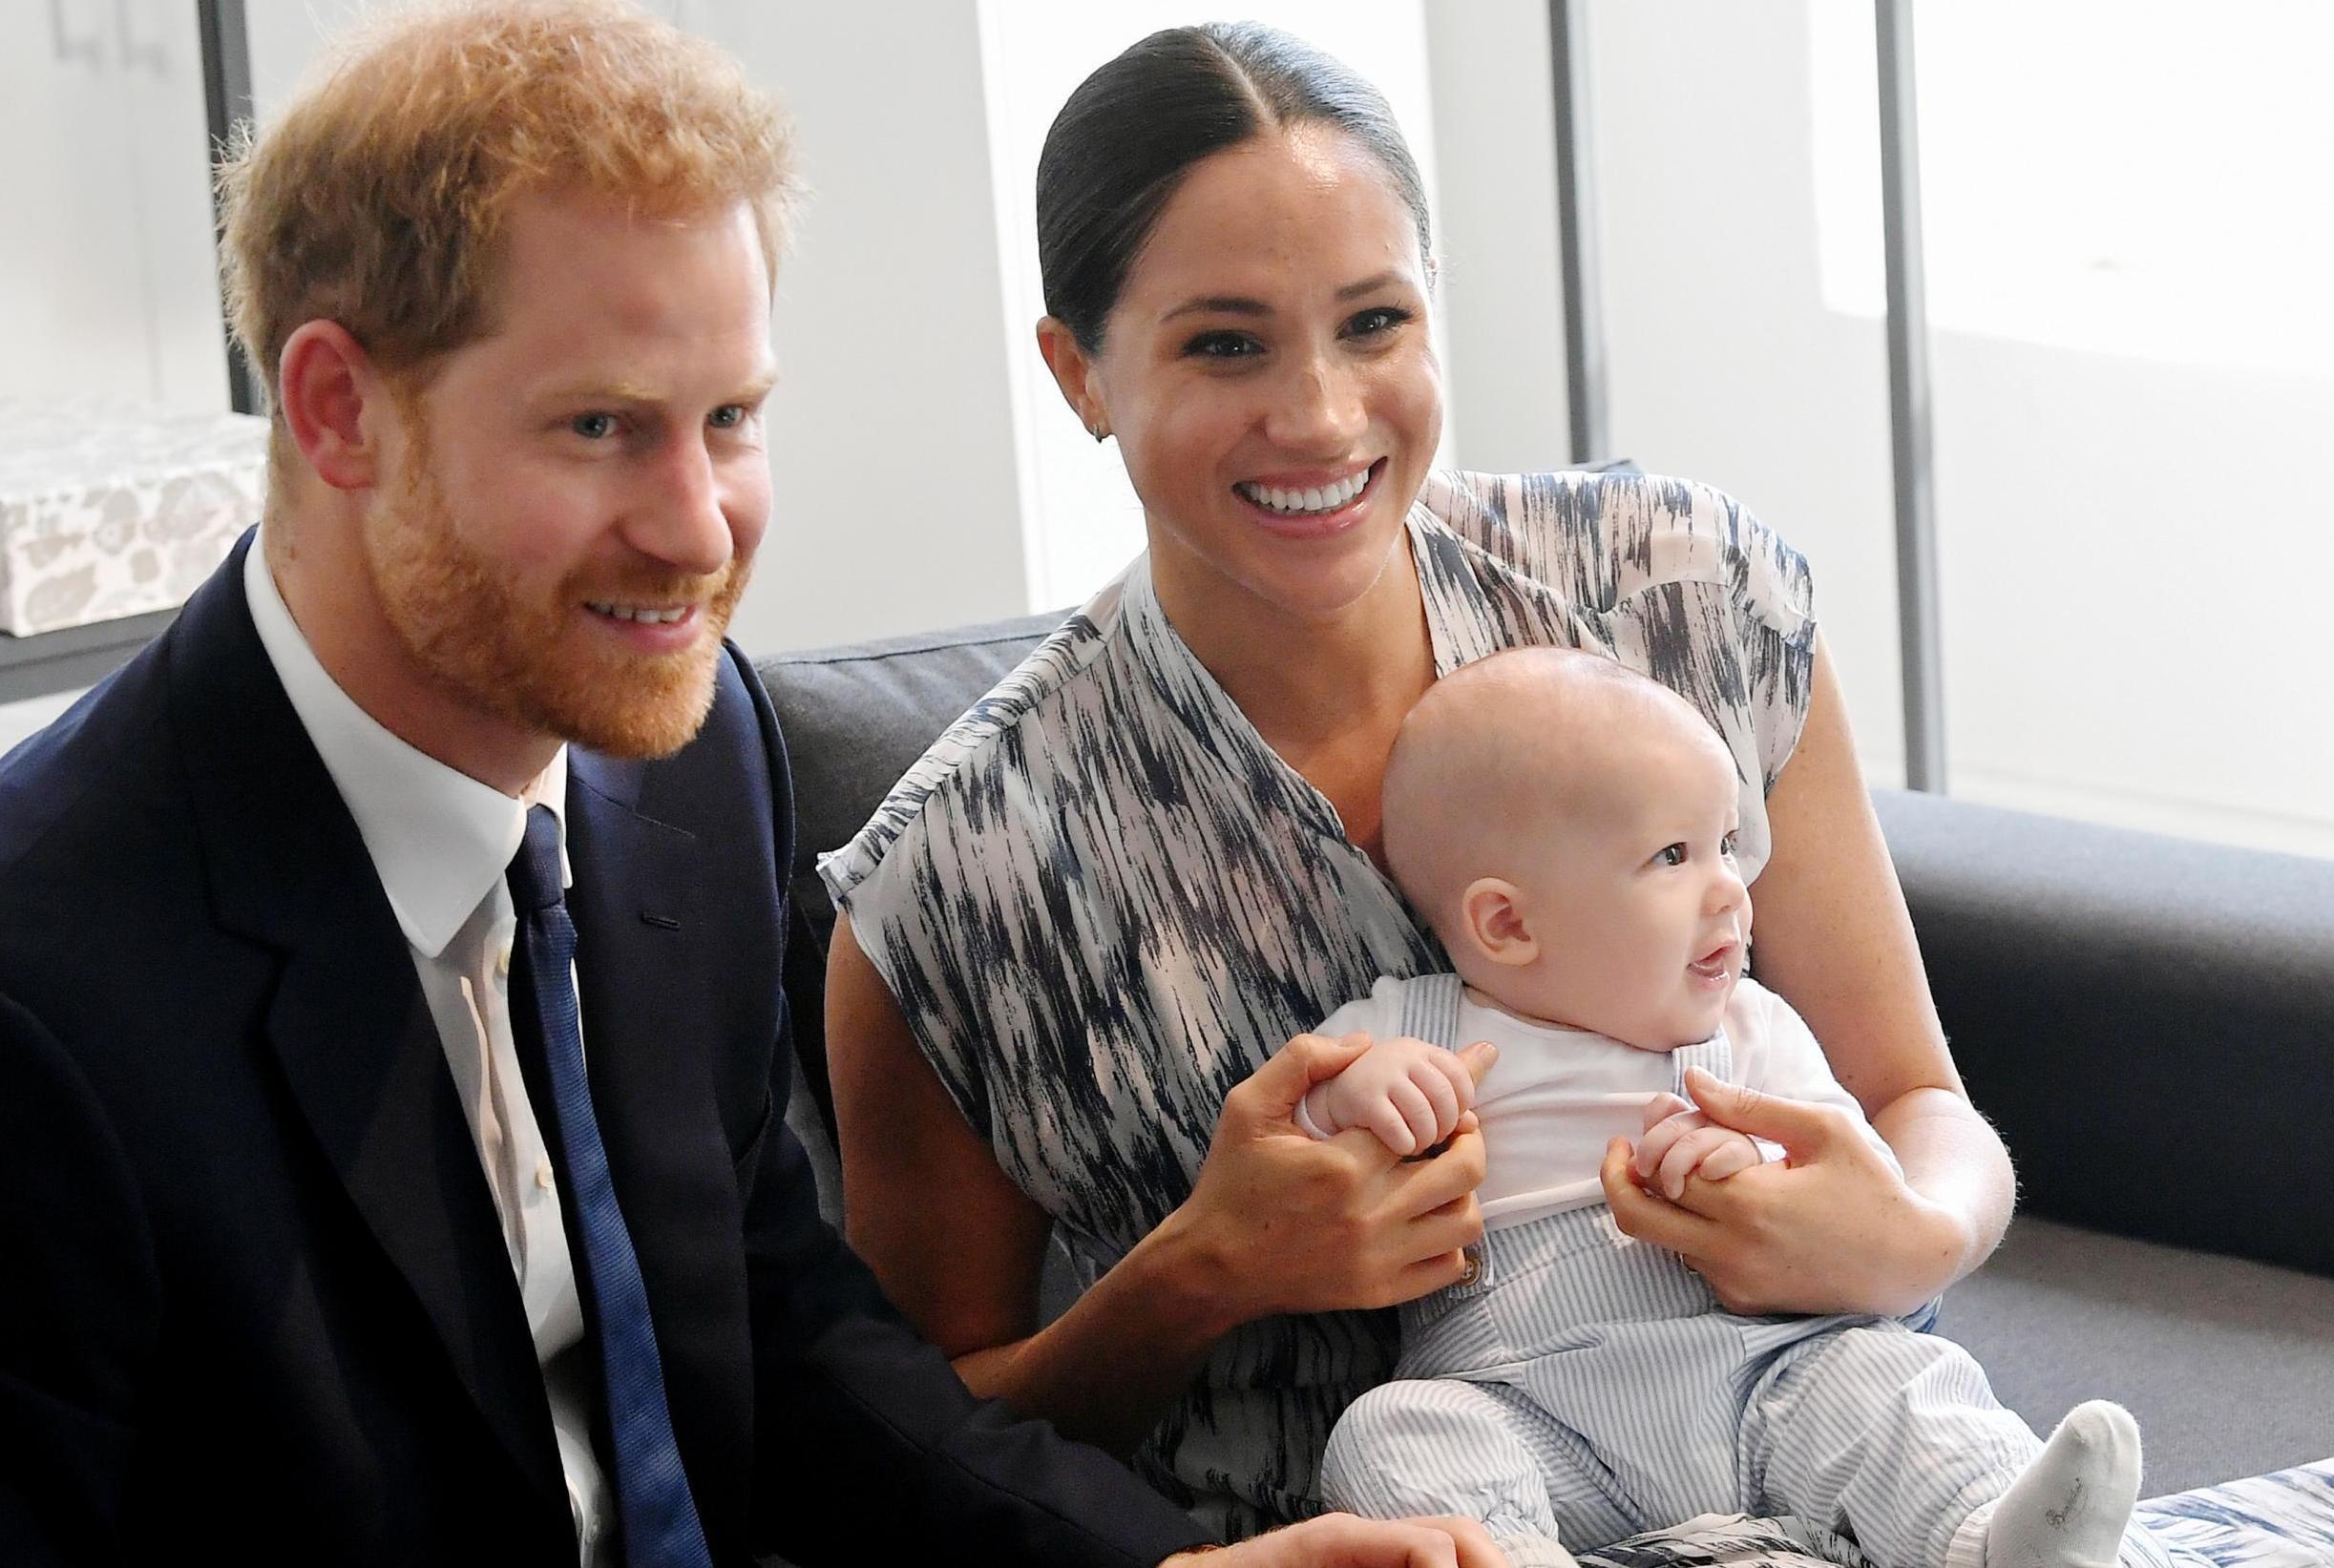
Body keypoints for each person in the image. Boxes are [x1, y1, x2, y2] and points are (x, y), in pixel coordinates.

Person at [0, 6, 1507, 1566]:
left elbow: (776, 1328)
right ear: (336, 412)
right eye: (602, 428)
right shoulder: (46, 996)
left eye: (730, 420)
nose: (702, 532)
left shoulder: (691, 755)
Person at [821, 19, 2017, 1545]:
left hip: (1826, 1483)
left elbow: (1922, 1099)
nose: (1320, 415)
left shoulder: (1681, 595)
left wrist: (1904, 1231)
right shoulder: (957, 883)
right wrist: (1203, 1270)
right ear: (1079, 372)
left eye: (1374, 321)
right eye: (1224, 342)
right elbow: (909, 1456)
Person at [1296, 647, 2173, 1568]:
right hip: (1525, 1406)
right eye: (1672, 855)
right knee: (1389, 1431)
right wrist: (1359, 1093)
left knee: (1896, 1383)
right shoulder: (1412, 1029)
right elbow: (1291, 1131)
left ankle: (1996, 1539)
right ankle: (1509, 1554)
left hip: (1767, 1378)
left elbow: (1848, 1183)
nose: (1728, 887)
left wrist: (1754, 1177)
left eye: (1725, 844)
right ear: (1507, 924)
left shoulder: (1752, 1030)